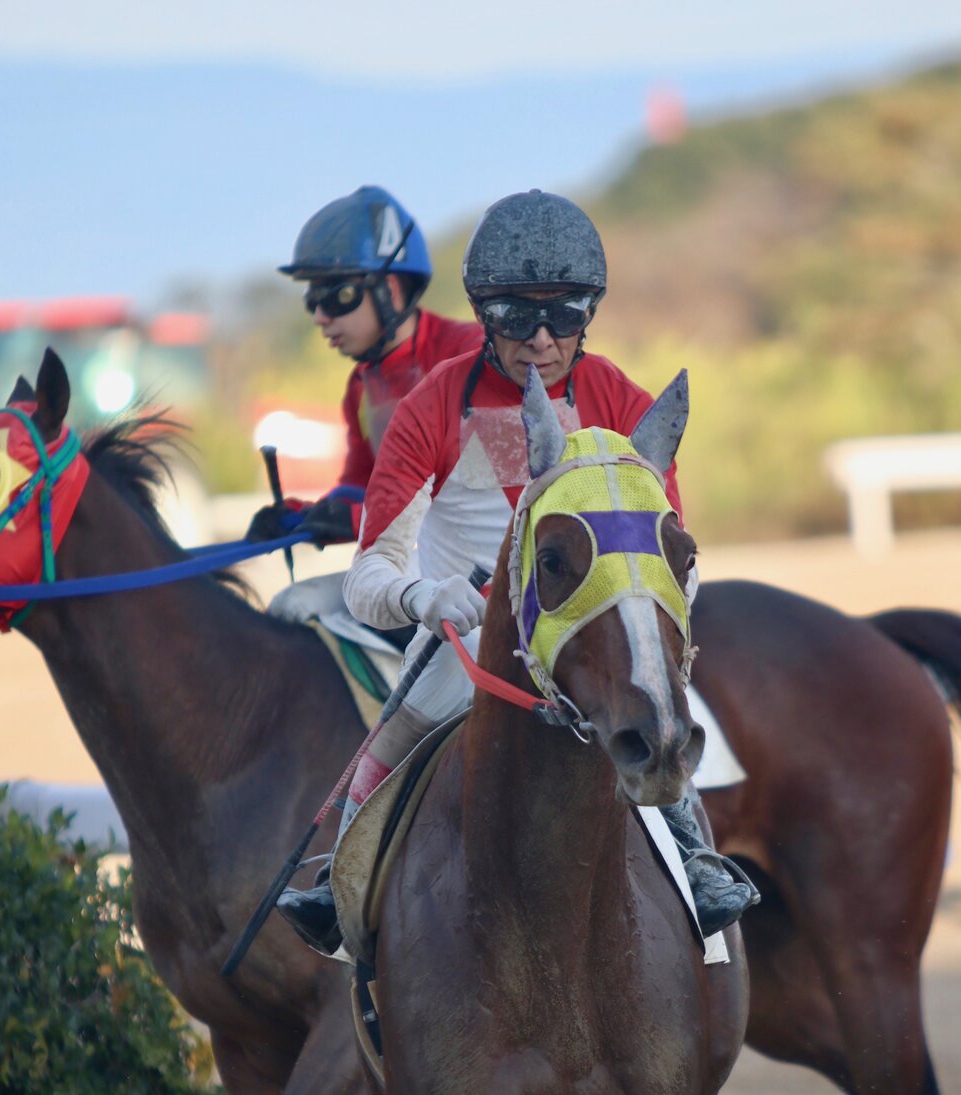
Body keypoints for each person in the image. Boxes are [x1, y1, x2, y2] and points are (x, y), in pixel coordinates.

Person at [278, 189, 757, 954]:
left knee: (659, 717)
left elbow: (674, 557)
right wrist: (422, 595)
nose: (539, 338)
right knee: (398, 726)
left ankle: (695, 862)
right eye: (512, 316)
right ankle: (344, 888)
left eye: (563, 315)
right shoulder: (432, 405)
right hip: (472, 644)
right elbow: (370, 579)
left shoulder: (623, 402)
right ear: (480, 313)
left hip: (585, 637)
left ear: (589, 313)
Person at [246, 185, 481, 613]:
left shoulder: (471, 355)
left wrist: (352, 521)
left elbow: (466, 499)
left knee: (300, 604)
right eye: (312, 299)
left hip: (475, 569)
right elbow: (362, 487)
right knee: (290, 610)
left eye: (336, 295)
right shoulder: (360, 387)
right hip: (412, 568)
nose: (320, 317)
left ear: (390, 290)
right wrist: (302, 516)